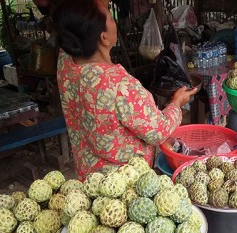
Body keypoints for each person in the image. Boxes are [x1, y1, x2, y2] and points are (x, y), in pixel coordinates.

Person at [52, 0, 197, 180]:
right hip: (123, 184)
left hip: (89, 175)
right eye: (111, 18)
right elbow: (158, 132)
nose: (115, 22)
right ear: (104, 38)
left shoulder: (65, 62)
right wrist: (176, 103)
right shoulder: (120, 86)